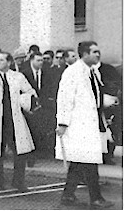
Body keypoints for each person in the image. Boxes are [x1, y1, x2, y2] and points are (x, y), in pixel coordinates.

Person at [55, 41, 114, 208]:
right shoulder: (72, 72)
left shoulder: (93, 72)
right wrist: (63, 122)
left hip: (90, 123)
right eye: (95, 52)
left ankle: (67, 195)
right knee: (88, 161)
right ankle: (96, 198)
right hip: (77, 124)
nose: (98, 54)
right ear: (85, 54)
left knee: (78, 161)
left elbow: (95, 97)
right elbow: (65, 98)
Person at [0, 51, 36, 192]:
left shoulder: (17, 76)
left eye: (2, 60)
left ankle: (18, 181)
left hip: (13, 119)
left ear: (9, 62)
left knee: (19, 151)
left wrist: (25, 101)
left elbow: (30, 91)